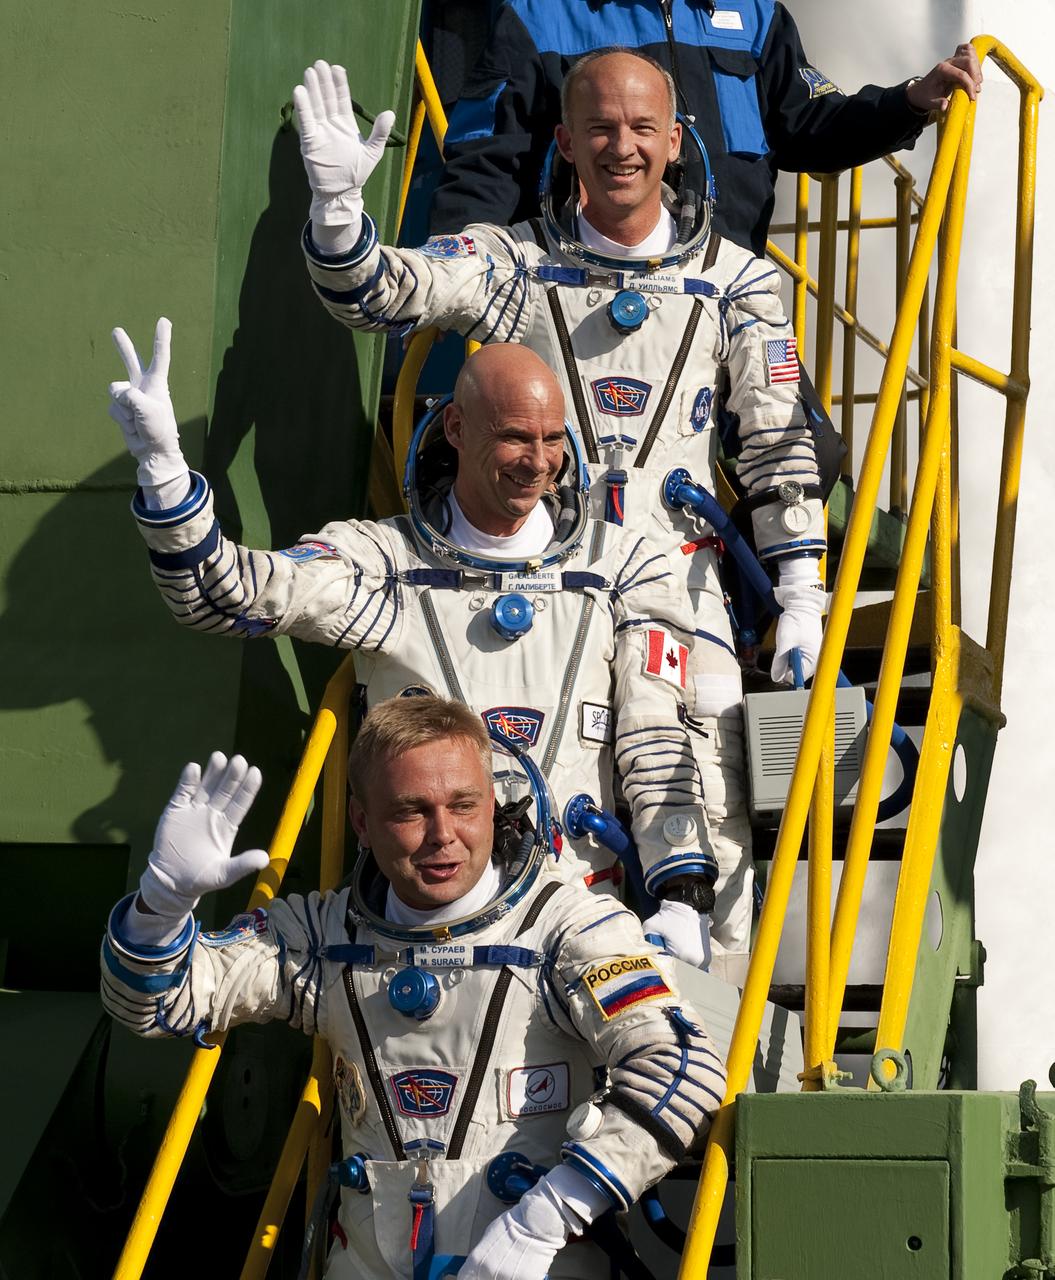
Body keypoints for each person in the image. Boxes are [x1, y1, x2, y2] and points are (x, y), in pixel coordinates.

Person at [294, 50, 820, 980]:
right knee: (504, 815)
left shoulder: (736, 281)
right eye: (601, 129)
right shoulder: (513, 265)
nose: (623, 148)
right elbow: (379, 293)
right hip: (539, 581)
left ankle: (707, 1012)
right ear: (566, 141)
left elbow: (776, 436)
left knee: (708, 796)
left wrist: (801, 586)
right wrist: (341, 215)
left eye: (642, 128)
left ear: (677, 141)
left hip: (677, 590)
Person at [109, 327, 719, 967]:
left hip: (578, 930)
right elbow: (223, 596)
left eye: (552, 440)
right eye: (514, 436)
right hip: (412, 934)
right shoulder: (387, 565)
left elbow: (657, 738)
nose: (537, 462)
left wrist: (681, 892)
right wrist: (163, 469)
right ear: (455, 428)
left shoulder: (625, 565)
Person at [100, 695, 726, 1279]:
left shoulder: (567, 927)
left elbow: (684, 1066)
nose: (443, 835)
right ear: (361, 822)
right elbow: (159, 1004)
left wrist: (545, 1218)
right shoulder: (323, 936)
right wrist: (161, 906)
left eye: (463, 805)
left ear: (492, 805)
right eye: (409, 811)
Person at [428, 1, 983, 256]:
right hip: (586, 293)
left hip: (725, 296)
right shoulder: (538, 14)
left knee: (811, 454)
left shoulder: (758, 15)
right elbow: (489, 160)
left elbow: (812, 123)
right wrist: (459, 266)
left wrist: (910, 99)